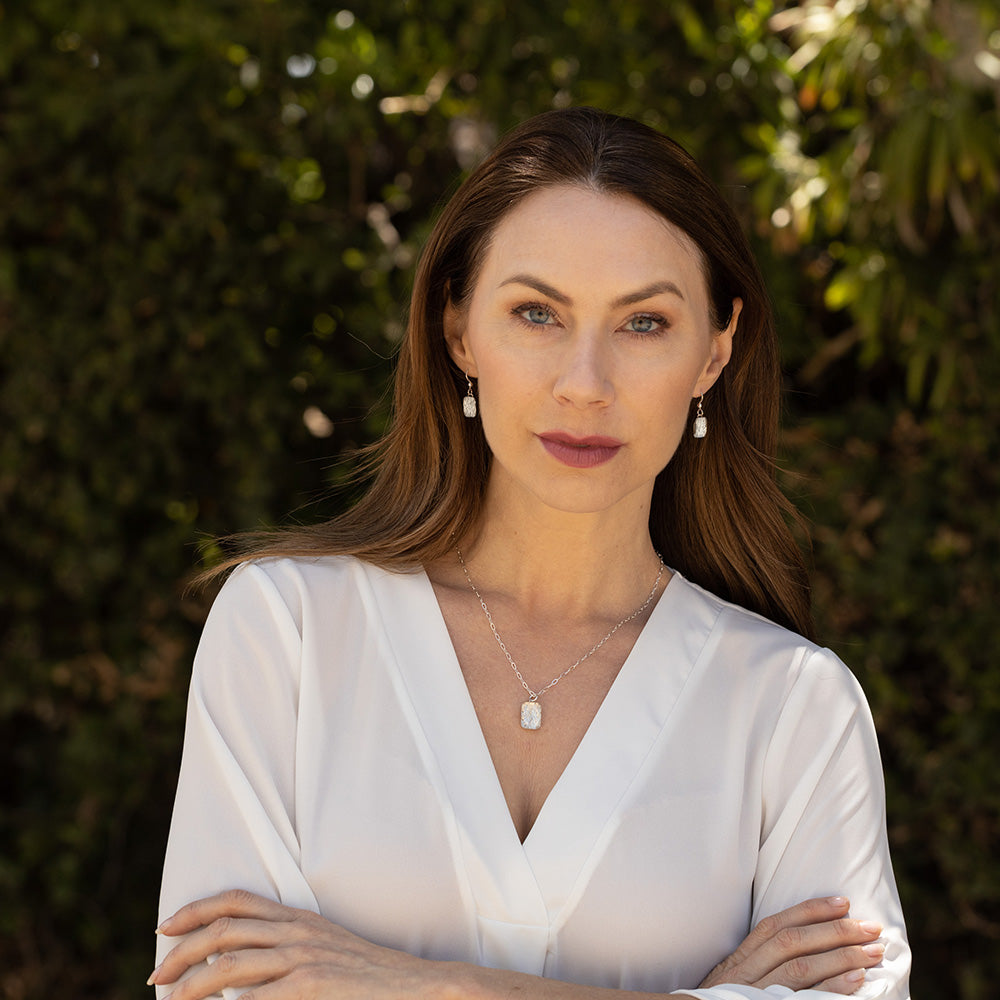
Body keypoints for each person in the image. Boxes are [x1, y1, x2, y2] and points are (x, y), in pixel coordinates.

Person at [149, 107, 911, 1000]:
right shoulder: (288, 634)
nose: (583, 384)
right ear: (460, 330)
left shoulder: (794, 708)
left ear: (716, 349)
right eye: (537, 312)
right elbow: (210, 984)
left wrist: (411, 984)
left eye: (644, 324)